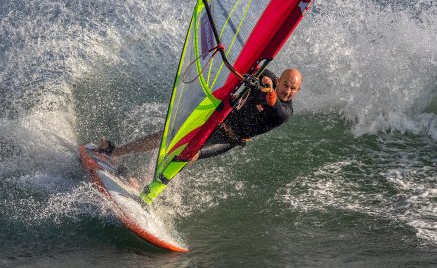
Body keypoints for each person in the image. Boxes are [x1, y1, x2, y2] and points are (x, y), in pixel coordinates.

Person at [98, 68, 302, 186]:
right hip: (216, 118)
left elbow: (274, 104)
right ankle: (114, 152)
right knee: (168, 136)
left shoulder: (285, 111)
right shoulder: (265, 74)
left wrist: (269, 90)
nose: (288, 91)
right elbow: (248, 66)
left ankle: (143, 184)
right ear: (278, 80)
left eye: (293, 89)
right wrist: (248, 75)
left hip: (228, 138)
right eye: (286, 85)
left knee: (190, 153)